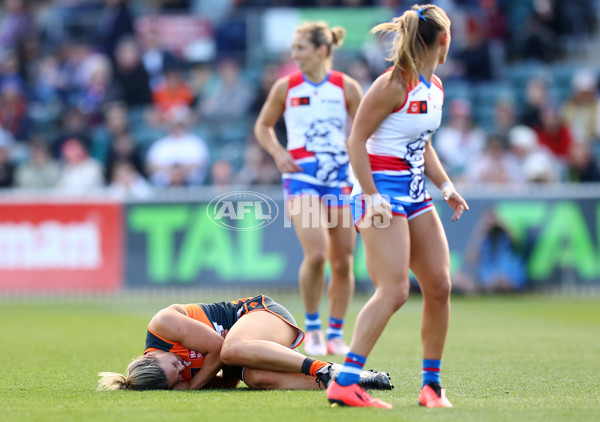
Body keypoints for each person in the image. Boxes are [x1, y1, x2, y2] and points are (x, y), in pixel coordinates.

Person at [325, 5, 469, 409]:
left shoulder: (434, 87)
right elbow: (356, 141)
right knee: (394, 290)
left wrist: (446, 186)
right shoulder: (392, 83)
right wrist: (371, 197)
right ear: (444, 40)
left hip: (417, 194)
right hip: (381, 194)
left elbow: (421, 142)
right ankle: (347, 381)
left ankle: (431, 387)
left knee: (439, 286)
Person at [254, 22, 363, 356]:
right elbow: (263, 126)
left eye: (300, 48)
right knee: (317, 254)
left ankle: (336, 333)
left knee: (343, 260)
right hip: (302, 178)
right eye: (293, 49)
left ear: (321, 50)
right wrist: (278, 152)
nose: (294, 55)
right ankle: (312, 327)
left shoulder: (346, 87)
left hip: (340, 177)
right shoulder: (285, 87)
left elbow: (364, 133)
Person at [97, 294, 393, 391]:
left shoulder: (162, 326)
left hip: (260, 313)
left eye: (175, 362)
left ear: (150, 356)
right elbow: (229, 382)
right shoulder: (173, 377)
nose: (183, 367)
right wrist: (213, 372)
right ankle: (350, 381)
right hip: (253, 347)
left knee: (232, 348)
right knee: (255, 377)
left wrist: (194, 385)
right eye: (179, 375)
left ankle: (324, 368)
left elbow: (218, 349)